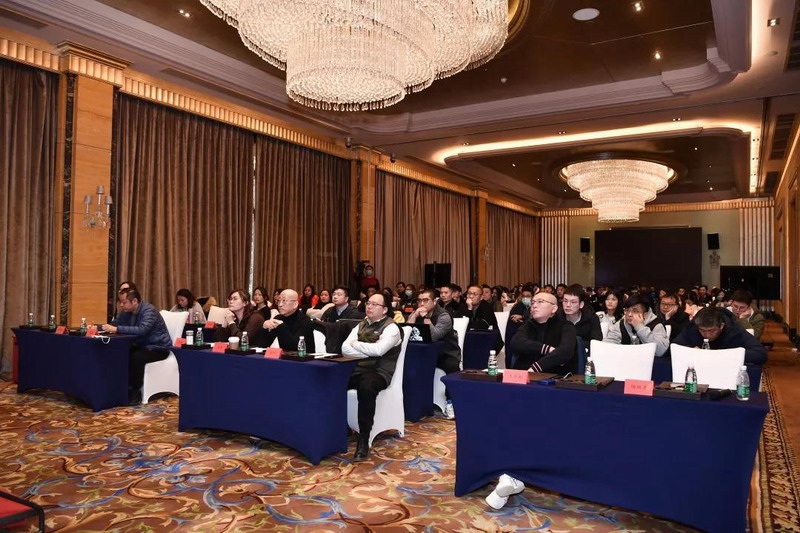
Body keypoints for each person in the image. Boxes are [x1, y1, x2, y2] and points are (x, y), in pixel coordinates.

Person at [342, 292, 403, 462]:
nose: (369, 306)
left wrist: (356, 344)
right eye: (368, 303)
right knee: (331, 381)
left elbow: (379, 351)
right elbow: (344, 349)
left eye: (375, 304)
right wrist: (366, 349)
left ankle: (364, 439)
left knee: (366, 388)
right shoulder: (361, 324)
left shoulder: (392, 328)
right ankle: (341, 427)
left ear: (384, 309)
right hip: (358, 370)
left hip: (379, 372)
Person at [101, 289, 172, 405]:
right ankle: (118, 387)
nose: (121, 305)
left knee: (136, 358)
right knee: (120, 352)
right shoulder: (127, 312)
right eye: (121, 302)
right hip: (141, 345)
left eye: (124, 302)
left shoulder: (149, 310)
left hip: (158, 347)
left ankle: (135, 392)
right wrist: (98, 328)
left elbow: (142, 330)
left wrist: (117, 329)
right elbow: (114, 324)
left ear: (134, 301)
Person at [406, 288, 461, 418]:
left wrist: (426, 318)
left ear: (434, 301)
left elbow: (434, 336)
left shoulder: (444, 316)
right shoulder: (417, 312)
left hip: (445, 353)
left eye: (425, 300)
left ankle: (451, 402)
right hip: (423, 353)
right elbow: (406, 331)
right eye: (419, 300)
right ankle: (413, 404)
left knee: (452, 367)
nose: (422, 304)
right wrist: (414, 316)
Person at [510, 291, 577, 374]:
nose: (534, 305)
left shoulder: (566, 326)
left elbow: (565, 351)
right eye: (533, 302)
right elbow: (515, 342)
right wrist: (546, 349)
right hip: (523, 374)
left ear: (554, 308)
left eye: (540, 302)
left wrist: (536, 367)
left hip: (553, 376)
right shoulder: (528, 324)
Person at [673, 307, 767, 364]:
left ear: (721, 326)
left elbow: (760, 354)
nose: (707, 335)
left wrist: (724, 354)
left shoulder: (734, 330)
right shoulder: (692, 328)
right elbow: (674, 347)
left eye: (711, 331)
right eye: (702, 331)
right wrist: (691, 350)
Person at [604, 294, 669, 356]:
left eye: (635, 311)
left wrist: (640, 327)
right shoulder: (622, 323)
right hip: (625, 359)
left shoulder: (656, 325)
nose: (629, 314)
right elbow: (606, 344)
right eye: (627, 310)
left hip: (649, 361)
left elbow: (661, 351)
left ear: (645, 314)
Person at [464, 284, 504, 352]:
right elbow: (463, 325)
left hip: (488, 340)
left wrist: (470, 309)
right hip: (469, 339)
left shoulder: (487, 307)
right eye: (469, 293)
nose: (471, 296)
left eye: (475, 294)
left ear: (481, 297)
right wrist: (469, 309)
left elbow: (482, 326)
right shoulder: (463, 306)